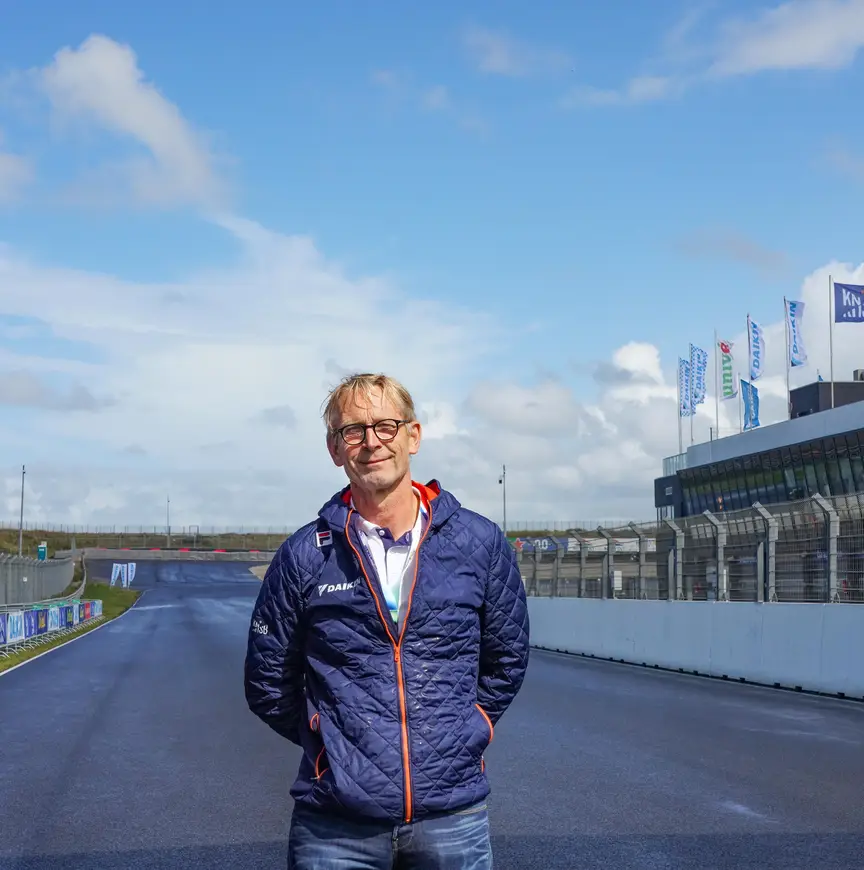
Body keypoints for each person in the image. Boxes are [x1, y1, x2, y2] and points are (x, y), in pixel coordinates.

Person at [244, 372, 530, 869]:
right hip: (334, 824)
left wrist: (468, 730)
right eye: (352, 430)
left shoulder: (480, 543)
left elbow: (507, 658)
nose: (371, 441)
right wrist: (330, 746)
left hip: (453, 815)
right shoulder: (304, 555)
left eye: (385, 426)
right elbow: (267, 681)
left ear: (412, 436)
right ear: (335, 449)